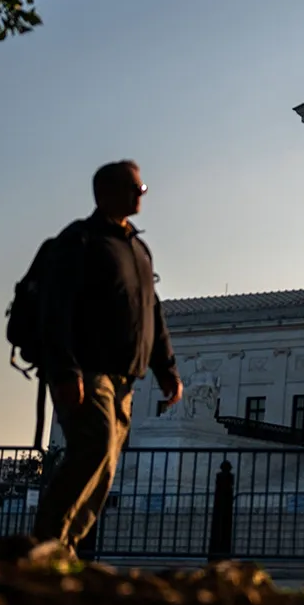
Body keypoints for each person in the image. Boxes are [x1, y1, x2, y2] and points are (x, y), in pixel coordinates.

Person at [32, 160, 182, 553]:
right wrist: (65, 371)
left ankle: (63, 548)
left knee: (106, 465)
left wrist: (166, 367)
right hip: (87, 369)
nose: (142, 193)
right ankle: (44, 542)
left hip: (124, 377)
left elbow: (152, 310)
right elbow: (56, 308)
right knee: (95, 445)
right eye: (136, 187)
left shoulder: (137, 248)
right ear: (106, 193)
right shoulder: (80, 241)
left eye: (142, 187)